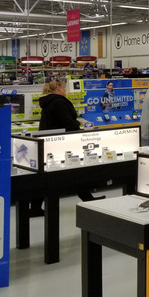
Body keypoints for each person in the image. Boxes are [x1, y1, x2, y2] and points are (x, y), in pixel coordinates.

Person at [32, 81, 103, 216]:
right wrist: (79, 123)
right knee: (72, 170)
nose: (65, 90)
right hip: (60, 142)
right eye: (64, 87)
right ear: (58, 88)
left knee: (51, 172)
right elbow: (68, 123)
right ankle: (87, 199)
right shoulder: (59, 102)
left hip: (49, 140)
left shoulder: (48, 101)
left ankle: (87, 198)